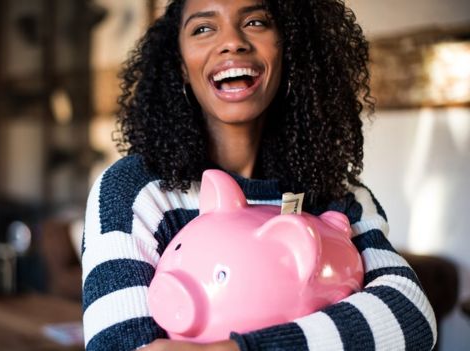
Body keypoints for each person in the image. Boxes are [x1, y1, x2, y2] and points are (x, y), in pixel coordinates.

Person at [81, 0, 436, 350]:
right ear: (180, 65)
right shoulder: (136, 191)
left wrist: (236, 350)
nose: (232, 41)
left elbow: (412, 317)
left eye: (256, 22)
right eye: (203, 28)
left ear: (289, 48)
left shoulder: (340, 197)